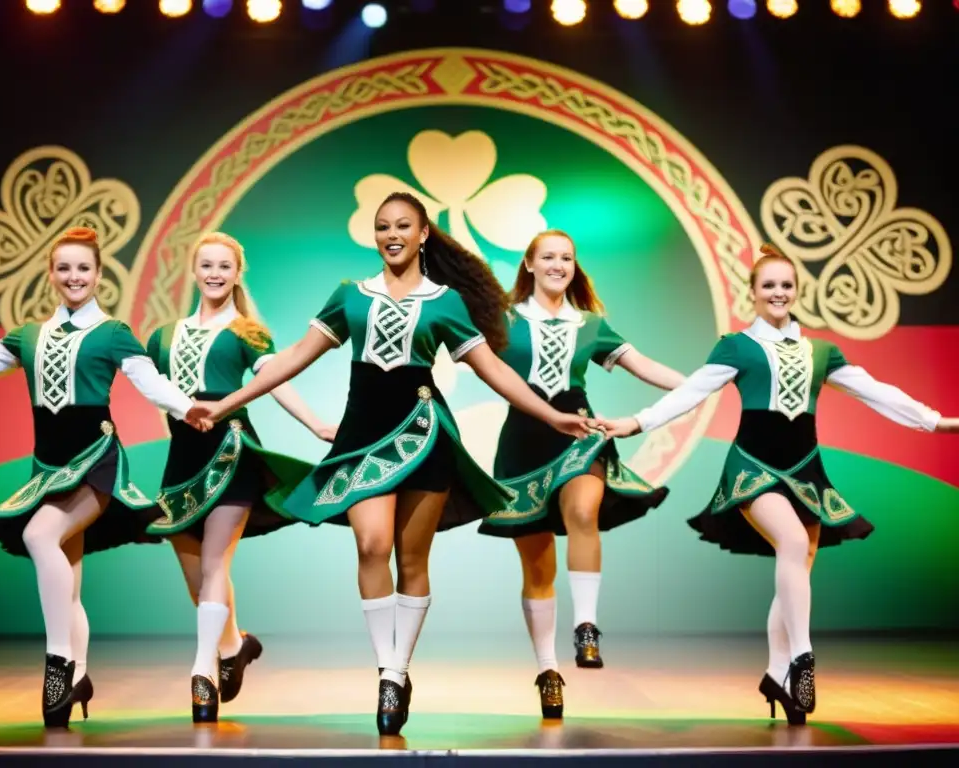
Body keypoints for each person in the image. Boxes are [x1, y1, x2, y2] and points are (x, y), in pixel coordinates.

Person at [187, 192, 592, 736]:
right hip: (362, 436)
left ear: (424, 234)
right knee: (371, 546)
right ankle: (388, 669)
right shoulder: (348, 296)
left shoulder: (445, 302)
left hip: (425, 437)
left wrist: (551, 415)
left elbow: (493, 369)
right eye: (383, 227)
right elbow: (287, 362)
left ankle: (399, 670)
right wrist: (226, 403)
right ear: (373, 235)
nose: (392, 233)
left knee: (412, 559)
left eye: (403, 225)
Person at [599, 244, 958, 725]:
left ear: (796, 291)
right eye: (768, 285)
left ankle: (776, 672)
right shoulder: (736, 347)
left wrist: (935, 422)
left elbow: (875, 390)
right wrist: (636, 422)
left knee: (798, 568)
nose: (778, 293)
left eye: (786, 285)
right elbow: (691, 393)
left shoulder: (821, 352)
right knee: (791, 541)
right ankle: (803, 659)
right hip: (753, 467)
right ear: (752, 293)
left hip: (805, 467)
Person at [0, 227, 204, 729]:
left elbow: (151, 383)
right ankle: (78, 673)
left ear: (99, 275)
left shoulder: (114, 334)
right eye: (64, 268)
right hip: (47, 470)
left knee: (40, 535)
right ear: (51, 275)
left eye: (83, 268)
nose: (74, 276)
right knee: (70, 586)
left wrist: (189, 409)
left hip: (95, 462)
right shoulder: (28, 336)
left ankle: (58, 662)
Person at [477, 230, 683, 719]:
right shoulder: (500, 320)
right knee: (538, 568)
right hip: (522, 444)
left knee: (583, 511)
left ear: (574, 266)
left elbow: (646, 367)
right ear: (528, 264)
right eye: (547, 256)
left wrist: (704, 384)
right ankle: (548, 670)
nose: (557, 264)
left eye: (566, 257)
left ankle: (587, 627)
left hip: (580, 431)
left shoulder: (591, 325)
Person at [144, 232, 337, 722]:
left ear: (236, 274)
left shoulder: (249, 333)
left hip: (232, 455)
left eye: (224, 266)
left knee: (214, 567)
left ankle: (203, 672)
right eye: (206, 264)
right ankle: (235, 645)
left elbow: (274, 380)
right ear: (194, 270)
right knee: (198, 579)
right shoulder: (162, 336)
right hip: (181, 463)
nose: (214, 273)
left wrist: (315, 423)